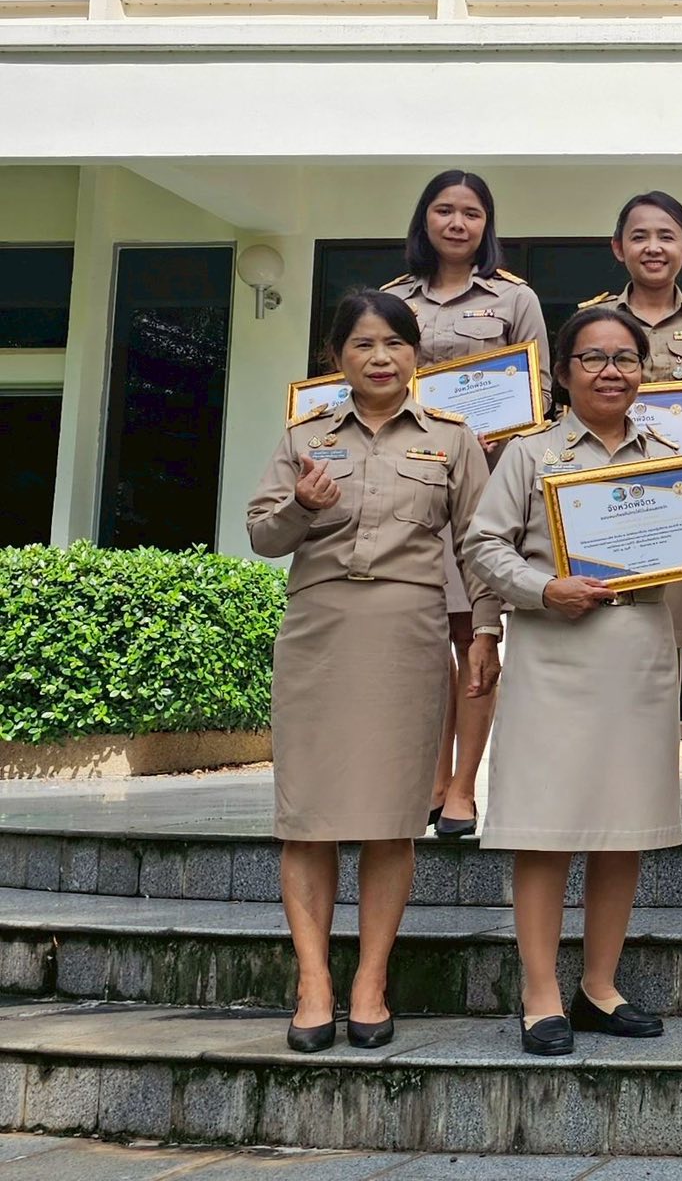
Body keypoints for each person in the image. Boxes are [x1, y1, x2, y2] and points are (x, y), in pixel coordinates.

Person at [465, 306, 682, 1057]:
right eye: (593, 358)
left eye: (625, 357)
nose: (611, 370)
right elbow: (481, 543)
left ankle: (600, 987)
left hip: (639, 653)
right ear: (563, 372)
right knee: (545, 830)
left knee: (623, 829)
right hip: (554, 654)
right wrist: (539, 590)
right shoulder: (530, 453)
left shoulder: (672, 450)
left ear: (644, 371)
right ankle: (541, 993)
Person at [246, 290, 498, 1052]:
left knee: (393, 817)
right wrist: (299, 505)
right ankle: (314, 981)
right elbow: (262, 534)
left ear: (416, 353)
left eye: (394, 342)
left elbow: (478, 547)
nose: (380, 357)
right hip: (320, 630)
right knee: (309, 815)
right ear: (337, 358)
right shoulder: (304, 438)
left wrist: (484, 631)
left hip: (408, 630)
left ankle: (371, 980)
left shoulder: (454, 441)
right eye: (362, 345)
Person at [384, 169, 550, 842]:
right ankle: (426, 777)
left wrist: (501, 427)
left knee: (474, 632)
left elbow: (538, 390)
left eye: (471, 214)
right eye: (445, 211)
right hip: (410, 480)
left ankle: (461, 787)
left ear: (488, 225)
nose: (457, 224)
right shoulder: (392, 300)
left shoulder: (515, 298)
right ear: (424, 219)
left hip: (484, 482)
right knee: (424, 633)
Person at [578, 192, 682, 699]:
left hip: (681, 504)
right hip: (606, 500)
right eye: (639, 236)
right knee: (600, 632)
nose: (653, 247)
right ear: (618, 247)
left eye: (666, 236)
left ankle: (659, 771)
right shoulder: (593, 319)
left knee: (671, 643)